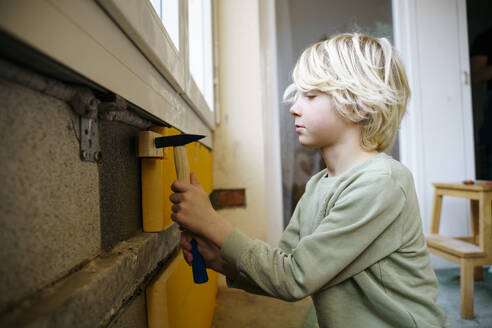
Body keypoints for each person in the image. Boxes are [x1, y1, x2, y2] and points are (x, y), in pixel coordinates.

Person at [170, 33, 447, 328]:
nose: (294, 107)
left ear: (358, 106)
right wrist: (221, 261)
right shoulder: (318, 184)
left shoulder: (382, 183)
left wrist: (211, 223)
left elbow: (294, 277)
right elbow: (284, 268)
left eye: (311, 96)